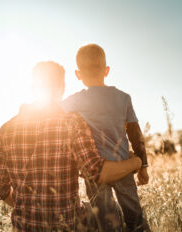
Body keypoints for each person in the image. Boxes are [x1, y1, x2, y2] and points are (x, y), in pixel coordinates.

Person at [0, 61, 142, 232]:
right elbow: (98, 173)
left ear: (33, 87)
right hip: (66, 226)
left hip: (23, 227)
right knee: (108, 215)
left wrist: (28, 206)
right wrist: (135, 163)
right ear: (62, 87)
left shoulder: (7, 129)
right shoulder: (73, 124)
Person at [61, 44, 150, 232]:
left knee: (105, 221)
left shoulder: (74, 101)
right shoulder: (123, 98)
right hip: (124, 166)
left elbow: (52, 114)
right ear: (107, 70)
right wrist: (142, 166)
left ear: (78, 74)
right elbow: (136, 134)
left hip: (95, 171)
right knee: (135, 216)